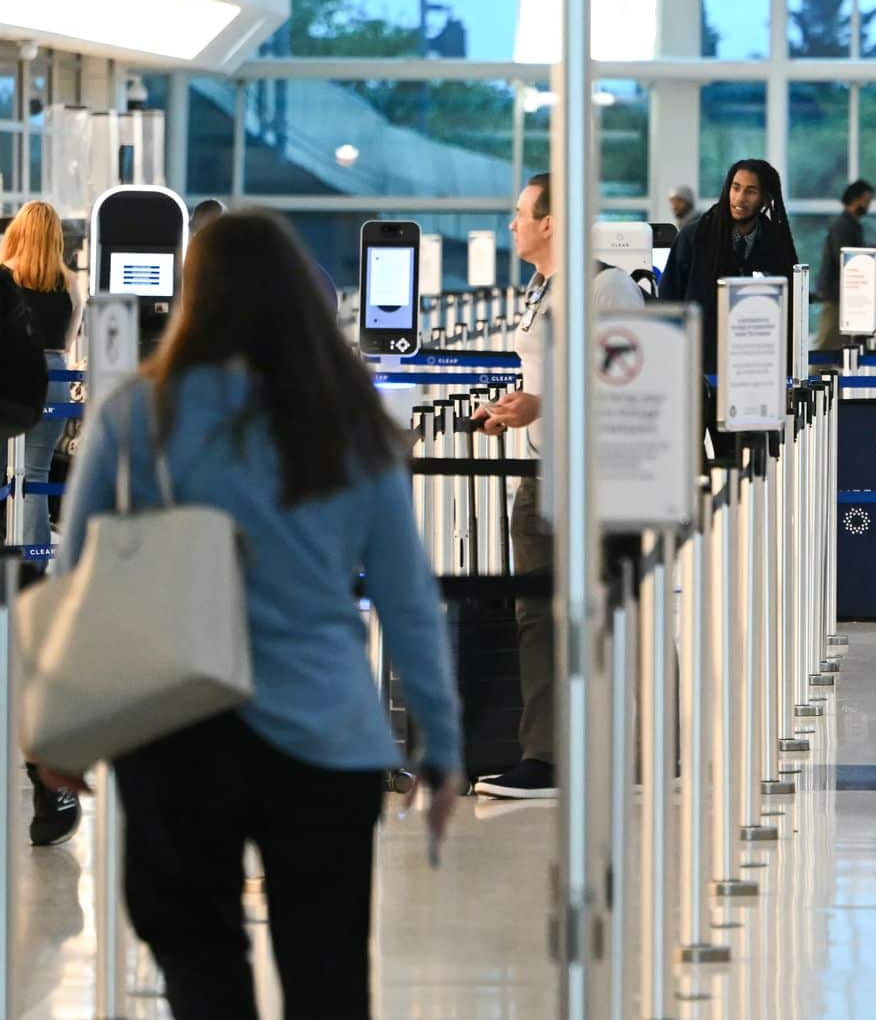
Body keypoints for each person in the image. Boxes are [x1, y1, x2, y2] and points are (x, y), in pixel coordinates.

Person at [38, 211, 462, 1019]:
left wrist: (62, 731)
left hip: (178, 728)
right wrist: (439, 742)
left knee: (201, 970)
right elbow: (408, 595)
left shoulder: (137, 415)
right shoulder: (349, 424)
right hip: (325, 732)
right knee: (328, 978)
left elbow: (77, 569)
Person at [471, 174, 645, 800]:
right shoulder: (541, 287)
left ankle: (632, 755)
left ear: (550, 220)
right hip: (541, 471)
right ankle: (546, 756)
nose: (512, 222)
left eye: (520, 212)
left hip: (596, 478)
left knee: (606, 615)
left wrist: (540, 404)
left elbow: (628, 382)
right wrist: (513, 409)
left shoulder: (607, 287)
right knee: (536, 616)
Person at [2, 201, 78, 847]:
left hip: (18, 379)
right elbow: (71, 341)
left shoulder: (7, 276)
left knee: (19, 470)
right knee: (39, 466)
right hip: (58, 375)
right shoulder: (65, 285)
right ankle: (35, 553)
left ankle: (21, 552)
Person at [661, 159, 799, 452]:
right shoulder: (695, 236)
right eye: (736, 188)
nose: (740, 198)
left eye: (750, 191)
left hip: (752, 380)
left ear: (765, 198)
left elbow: (790, 310)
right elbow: (669, 302)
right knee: (687, 463)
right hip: (696, 372)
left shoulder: (777, 243)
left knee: (745, 465)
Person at [814, 179, 876, 351]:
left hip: (848, 298)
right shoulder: (842, 226)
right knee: (827, 347)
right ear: (855, 198)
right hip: (837, 298)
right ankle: (814, 378)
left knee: (842, 350)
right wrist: (874, 249)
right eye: (866, 200)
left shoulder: (851, 226)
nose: (868, 205)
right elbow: (846, 258)